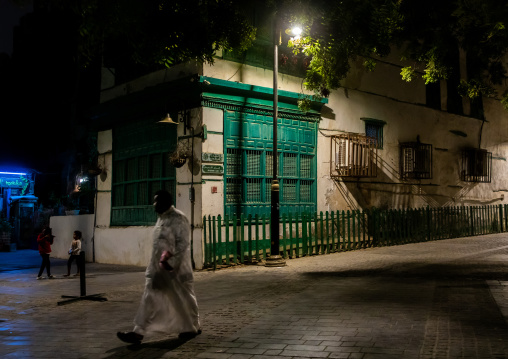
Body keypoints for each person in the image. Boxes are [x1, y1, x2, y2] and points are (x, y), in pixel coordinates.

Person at [117, 190, 201, 344]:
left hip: (176, 270)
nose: (154, 205)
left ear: (166, 202)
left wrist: (171, 263)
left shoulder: (178, 218)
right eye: (154, 201)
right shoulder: (161, 219)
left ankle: (192, 326)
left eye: (157, 201)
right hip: (158, 269)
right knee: (150, 297)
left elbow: (183, 244)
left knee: (184, 298)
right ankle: (138, 332)